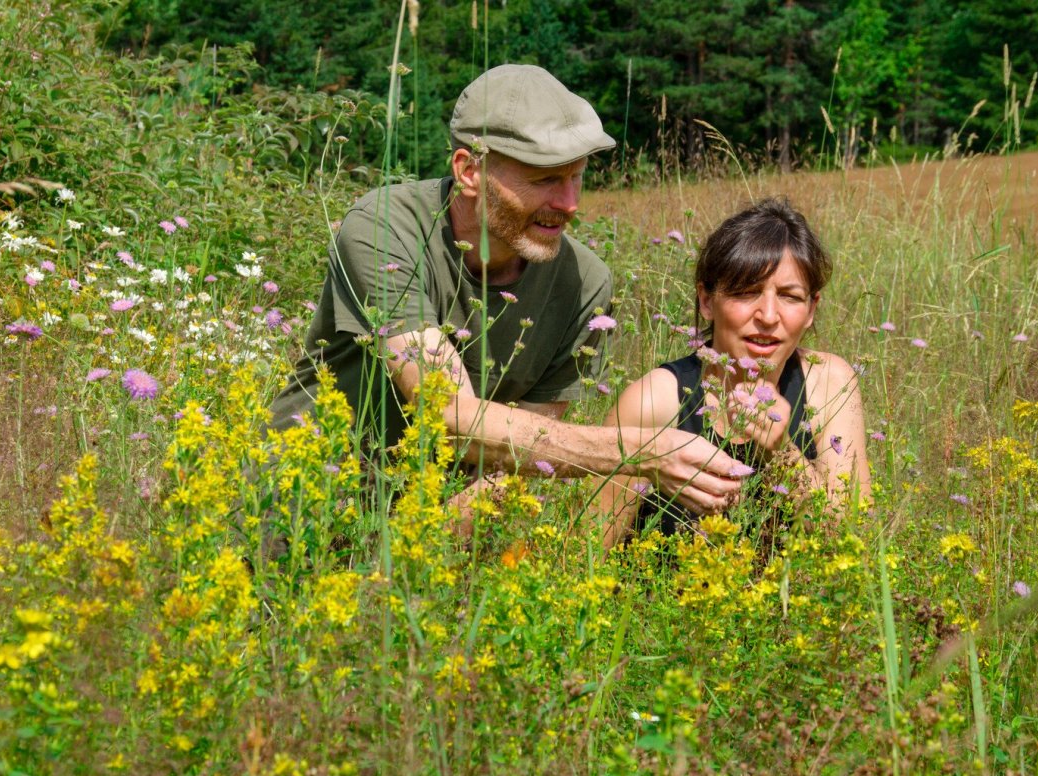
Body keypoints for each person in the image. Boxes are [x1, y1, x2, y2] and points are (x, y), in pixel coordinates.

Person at [270, 64, 753, 521]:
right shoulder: (384, 229)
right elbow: (449, 414)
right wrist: (643, 451)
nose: (568, 204)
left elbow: (518, 465)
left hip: (429, 536)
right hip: (298, 506)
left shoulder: (584, 285)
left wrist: (416, 562)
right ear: (469, 171)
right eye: (544, 179)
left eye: (576, 176)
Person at [592, 198, 871, 549]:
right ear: (706, 301)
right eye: (746, 292)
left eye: (789, 296)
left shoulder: (829, 383)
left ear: (812, 309)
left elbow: (853, 541)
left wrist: (782, 452)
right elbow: (585, 553)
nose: (768, 315)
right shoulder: (652, 403)